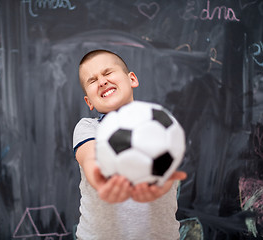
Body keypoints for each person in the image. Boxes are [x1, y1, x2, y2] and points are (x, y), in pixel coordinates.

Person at [73, 49, 187, 240]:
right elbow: (93, 164)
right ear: (89, 102)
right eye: (92, 81)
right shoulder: (88, 128)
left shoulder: (162, 124)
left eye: (108, 73)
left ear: (132, 79)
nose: (102, 82)